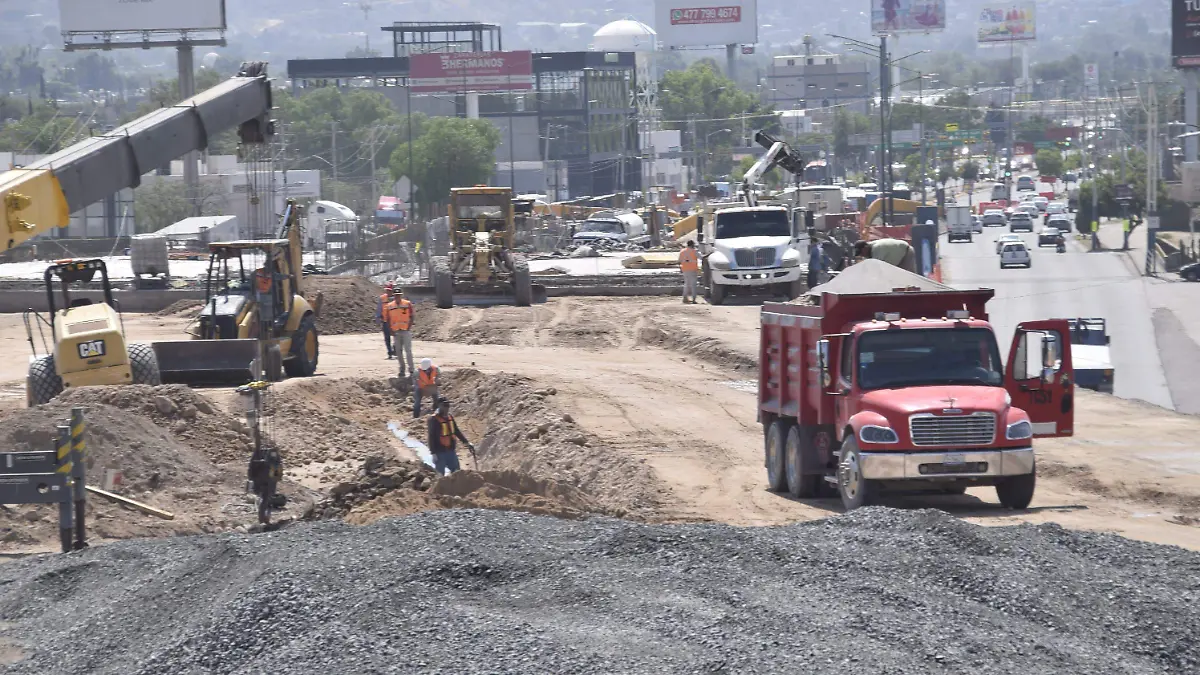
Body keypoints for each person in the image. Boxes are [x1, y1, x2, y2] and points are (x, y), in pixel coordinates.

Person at [427, 397, 474, 475]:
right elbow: (431, 436)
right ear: (439, 406)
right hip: (439, 452)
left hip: (451, 451)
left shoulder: (450, 417)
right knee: (440, 475)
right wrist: (433, 453)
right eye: (444, 405)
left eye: (448, 405)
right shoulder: (433, 419)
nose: (447, 408)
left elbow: (456, 431)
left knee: (457, 472)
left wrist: (467, 442)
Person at [384, 287, 415, 377]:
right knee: (398, 352)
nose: (397, 297)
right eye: (396, 295)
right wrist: (390, 330)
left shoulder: (407, 304)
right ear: (393, 296)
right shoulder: (390, 306)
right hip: (396, 332)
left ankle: (411, 370)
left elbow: (412, 316)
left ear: (401, 295)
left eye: (399, 295)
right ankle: (402, 369)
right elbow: (388, 319)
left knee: (408, 351)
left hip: (405, 330)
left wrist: (409, 327)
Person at [377, 283, 395, 359]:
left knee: (397, 338)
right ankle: (390, 352)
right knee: (387, 338)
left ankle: (395, 349)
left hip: (395, 322)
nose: (388, 292)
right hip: (385, 321)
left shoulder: (396, 298)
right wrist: (378, 317)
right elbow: (379, 308)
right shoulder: (382, 298)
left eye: (389, 290)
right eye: (387, 290)